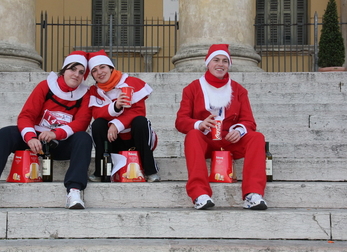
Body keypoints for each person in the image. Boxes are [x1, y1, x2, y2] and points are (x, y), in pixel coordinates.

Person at [0, 51, 93, 210]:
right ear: (64, 70)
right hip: (36, 141)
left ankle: (74, 191)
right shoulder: (45, 86)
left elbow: (81, 123)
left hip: (60, 142)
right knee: (4, 134)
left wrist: (55, 134)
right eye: (72, 69)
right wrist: (30, 137)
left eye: (81, 72)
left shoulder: (85, 94)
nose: (76, 75)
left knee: (84, 138)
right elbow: (26, 115)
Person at [175, 44, 267, 210]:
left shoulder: (239, 90)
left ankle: (253, 194)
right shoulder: (192, 88)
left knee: (257, 137)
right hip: (207, 140)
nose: (220, 64)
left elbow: (249, 121)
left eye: (225, 61)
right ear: (208, 63)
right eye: (216, 60)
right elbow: (181, 121)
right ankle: (199, 194)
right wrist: (199, 124)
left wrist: (239, 130)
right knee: (192, 136)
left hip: (230, 140)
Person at [87, 50, 160, 182]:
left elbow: (138, 111)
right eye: (94, 70)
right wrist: (115, 107)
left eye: (102, 67)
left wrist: (116, 124)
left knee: (141, 121)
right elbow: (96, 113)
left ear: (111, 68)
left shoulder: (131, 82)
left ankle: (150, 171)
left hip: (134, 136)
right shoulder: (94, 90)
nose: (100, 72)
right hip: (113, 139)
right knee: (97, 125)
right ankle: (101, 170)